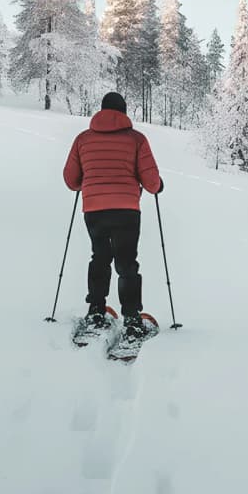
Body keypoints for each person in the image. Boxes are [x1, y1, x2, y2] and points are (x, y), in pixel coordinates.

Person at [63, 91, 164, 339]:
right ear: (124, 112)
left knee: (100, 257)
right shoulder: (136, 139)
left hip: (94, 210)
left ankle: (96, 311)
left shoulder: (83, 140)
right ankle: (131, 319)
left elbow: (70, 179)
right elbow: (151, 183)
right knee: (126, 263)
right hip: (127, 210)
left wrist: (88, 183)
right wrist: (158, 185)